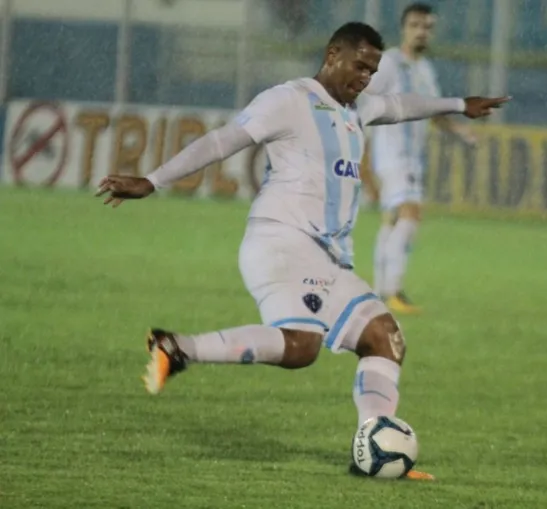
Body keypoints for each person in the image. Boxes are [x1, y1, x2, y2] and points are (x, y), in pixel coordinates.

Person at [96, 21, 508, 479]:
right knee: (300, 346)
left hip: (325, 256)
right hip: (282, 241)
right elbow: (221, 141)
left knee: (384, 338)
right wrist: (152, 181)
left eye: (372, 71)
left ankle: (373, 445)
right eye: (360, 66)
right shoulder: (287, 100)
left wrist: (458, 105)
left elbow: (400, 106)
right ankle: (178, 348)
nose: (366, 78)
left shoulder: (358, 108)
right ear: (333, 55)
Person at [366, 2, 477, 314]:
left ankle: (379, 291)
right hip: (392, 154)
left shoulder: (425, 70)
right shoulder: (388, 64)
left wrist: (459, 131)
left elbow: (434, 112)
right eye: (415, 25)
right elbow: (364, 99)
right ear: (404, 28)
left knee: (391, 221)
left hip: (410, 158)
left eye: (427, 27)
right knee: (411, 215)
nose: (421, 32)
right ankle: (394, 291)